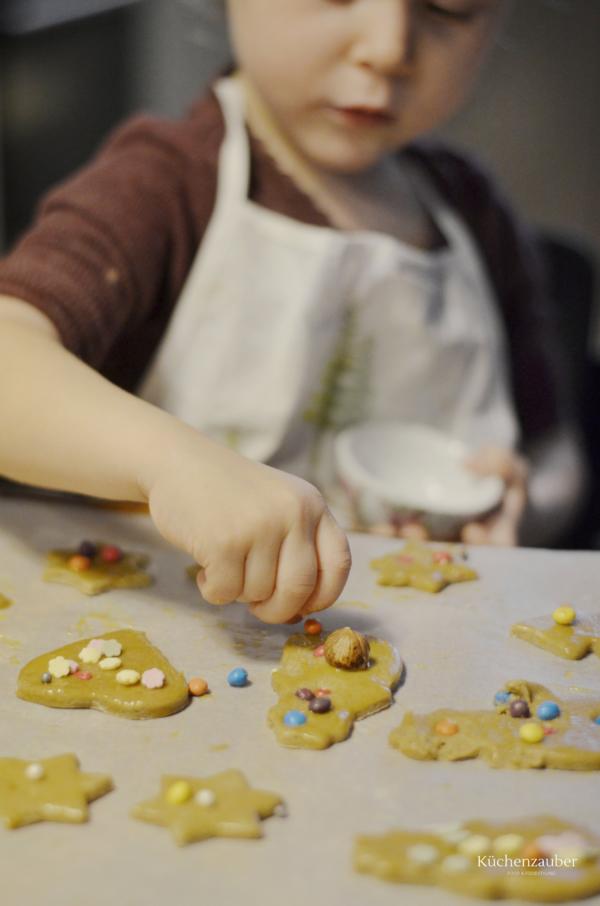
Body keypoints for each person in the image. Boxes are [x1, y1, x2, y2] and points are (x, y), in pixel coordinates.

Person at [0, 0, 587, 623]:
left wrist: (523, 504)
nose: (388, 47)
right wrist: (173, 463)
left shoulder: (475, 214)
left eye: (450, 5)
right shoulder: (162, 183)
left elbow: (557, 453)